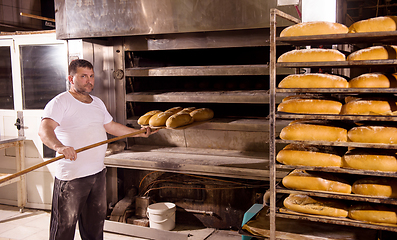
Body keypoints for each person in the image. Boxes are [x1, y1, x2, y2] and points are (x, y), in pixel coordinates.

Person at [38, 59, 157, 240]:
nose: (89, 80)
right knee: (64, 228)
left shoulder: (97, 103)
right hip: (71, 178)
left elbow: (111, 127)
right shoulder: (60, 102)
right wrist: (60, 147)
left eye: (91, 76)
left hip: (96, 174)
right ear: (71, 78)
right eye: (83, 76)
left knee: (94, 227)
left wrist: (139, 133)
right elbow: (44, 130)